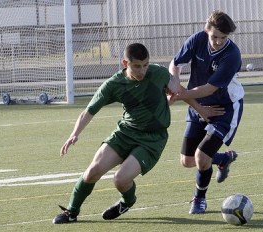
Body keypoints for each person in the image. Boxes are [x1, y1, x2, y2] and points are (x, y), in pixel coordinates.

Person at [52, 42, 223, 224]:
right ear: (125, 63)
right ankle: (71, 212)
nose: (142, 70)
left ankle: (127, 201)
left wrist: (199, 109)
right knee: (92, 172)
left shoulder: (158, 73)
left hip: (152, 139)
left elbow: (179, 91)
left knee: (120, 179)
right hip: (125, 133)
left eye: (145, 65)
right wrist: (74, 133)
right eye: (136, 66)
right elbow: (89, 111)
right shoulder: (113, 84)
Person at [169, 10, 244, 214]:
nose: (218, 41)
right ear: (206, 30)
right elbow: (175, 65)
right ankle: (222, 159)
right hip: (197, 104)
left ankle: (199, 199)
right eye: (214, 36)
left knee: (201, 157)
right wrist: (175, 85)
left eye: (223, 37)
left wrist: (179, 94)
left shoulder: (232, 55)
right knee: (187, 161)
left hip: (224, 109)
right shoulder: (197, 39)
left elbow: (210, 88)